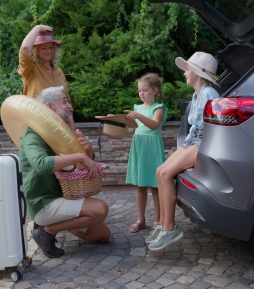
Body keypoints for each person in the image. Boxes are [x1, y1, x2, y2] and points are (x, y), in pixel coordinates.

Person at [19, 86, 111, 258]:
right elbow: (41, 165)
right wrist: (79, 156)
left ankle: (59, 222)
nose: (70, 105)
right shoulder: (33, 136)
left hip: (64, 198)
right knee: (99, 209)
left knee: (102, 236)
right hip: (44, 204)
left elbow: (81, 168)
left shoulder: (57, 134)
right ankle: (47, 230)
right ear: (50, 107)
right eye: (64, 101)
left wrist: (87, 152)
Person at [147, 52, 220, 251]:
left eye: (187, 69)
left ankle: (170, 228)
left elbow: (211, 128)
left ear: (198, 72)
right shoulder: (198, 94)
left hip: (202, 143)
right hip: (193, 141)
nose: (184, 73)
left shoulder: (209, 94)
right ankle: (163, 224)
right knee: (160, 172)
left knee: (165, 174)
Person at [123, 73, 167, 234]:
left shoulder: (159, 108)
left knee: (155, 187)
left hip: (152, 149)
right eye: (140, 90)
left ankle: (158, 220)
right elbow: (131, 128)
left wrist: (138, 116)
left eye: (145, 90)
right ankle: (140, 219)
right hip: (139, 148)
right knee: (141, 186)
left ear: (155, 91)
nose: (141, 93)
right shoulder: (137, 108)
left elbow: (154, 125)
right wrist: (115, 120)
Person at [19, 24, 75, 130]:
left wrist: (74, 136)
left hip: (59, 128)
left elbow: (68, 107)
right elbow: (25, 48)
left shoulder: (59, 72)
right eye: (44, 48)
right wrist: (37, 28)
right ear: (36, 50)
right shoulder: (30, 69)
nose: (49, 51)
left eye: (51, 47)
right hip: (38, 126)